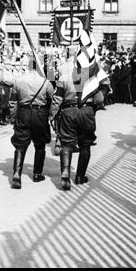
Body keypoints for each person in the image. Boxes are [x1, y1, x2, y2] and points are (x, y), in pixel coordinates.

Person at [49, 47, 108, 191]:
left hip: (68, 111)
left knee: (67, 144)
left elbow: (57, 99)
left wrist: (52, 114)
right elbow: (100, 98)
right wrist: (95, 105)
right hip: (86, 112)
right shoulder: (91, 77)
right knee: (85, 144)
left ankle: (65, 173)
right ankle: (80, 176)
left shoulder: (65, 76)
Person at [9, 57, 54, 189]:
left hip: (23, 113)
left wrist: (13, 117)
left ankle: (17, 174)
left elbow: (12, 102)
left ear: (28, 66)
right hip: (40, 114)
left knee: (20, 145)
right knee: (40, 145)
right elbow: (52, 100)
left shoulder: (18, 81)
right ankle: (37, 173)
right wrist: (50, 116)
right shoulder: (46, 82)